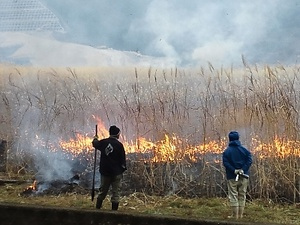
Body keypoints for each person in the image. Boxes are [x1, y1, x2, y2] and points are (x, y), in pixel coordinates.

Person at [92, 125, 127, 210]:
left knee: (102, 191)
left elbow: (95, 144)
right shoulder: (119, 145)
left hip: (105, 172)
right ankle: (114, 212)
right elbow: (123, 160)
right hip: (116, 173)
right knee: (116, 193)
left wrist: (95, 138)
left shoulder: (103, 142)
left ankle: (98, 209)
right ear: (117, 135)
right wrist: (122, 170)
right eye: (119, 134)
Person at [222, 131, 252, 219]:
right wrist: (243, 169)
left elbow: (226, 163)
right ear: (238, 138)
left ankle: (235, 217)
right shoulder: (245, 150)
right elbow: (249, 161)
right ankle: (240, 215)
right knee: (242, 195)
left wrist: (234, 170)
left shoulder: (227, 152)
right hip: (244, 176)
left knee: (233, 196)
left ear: (229, 139)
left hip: (232, 177)